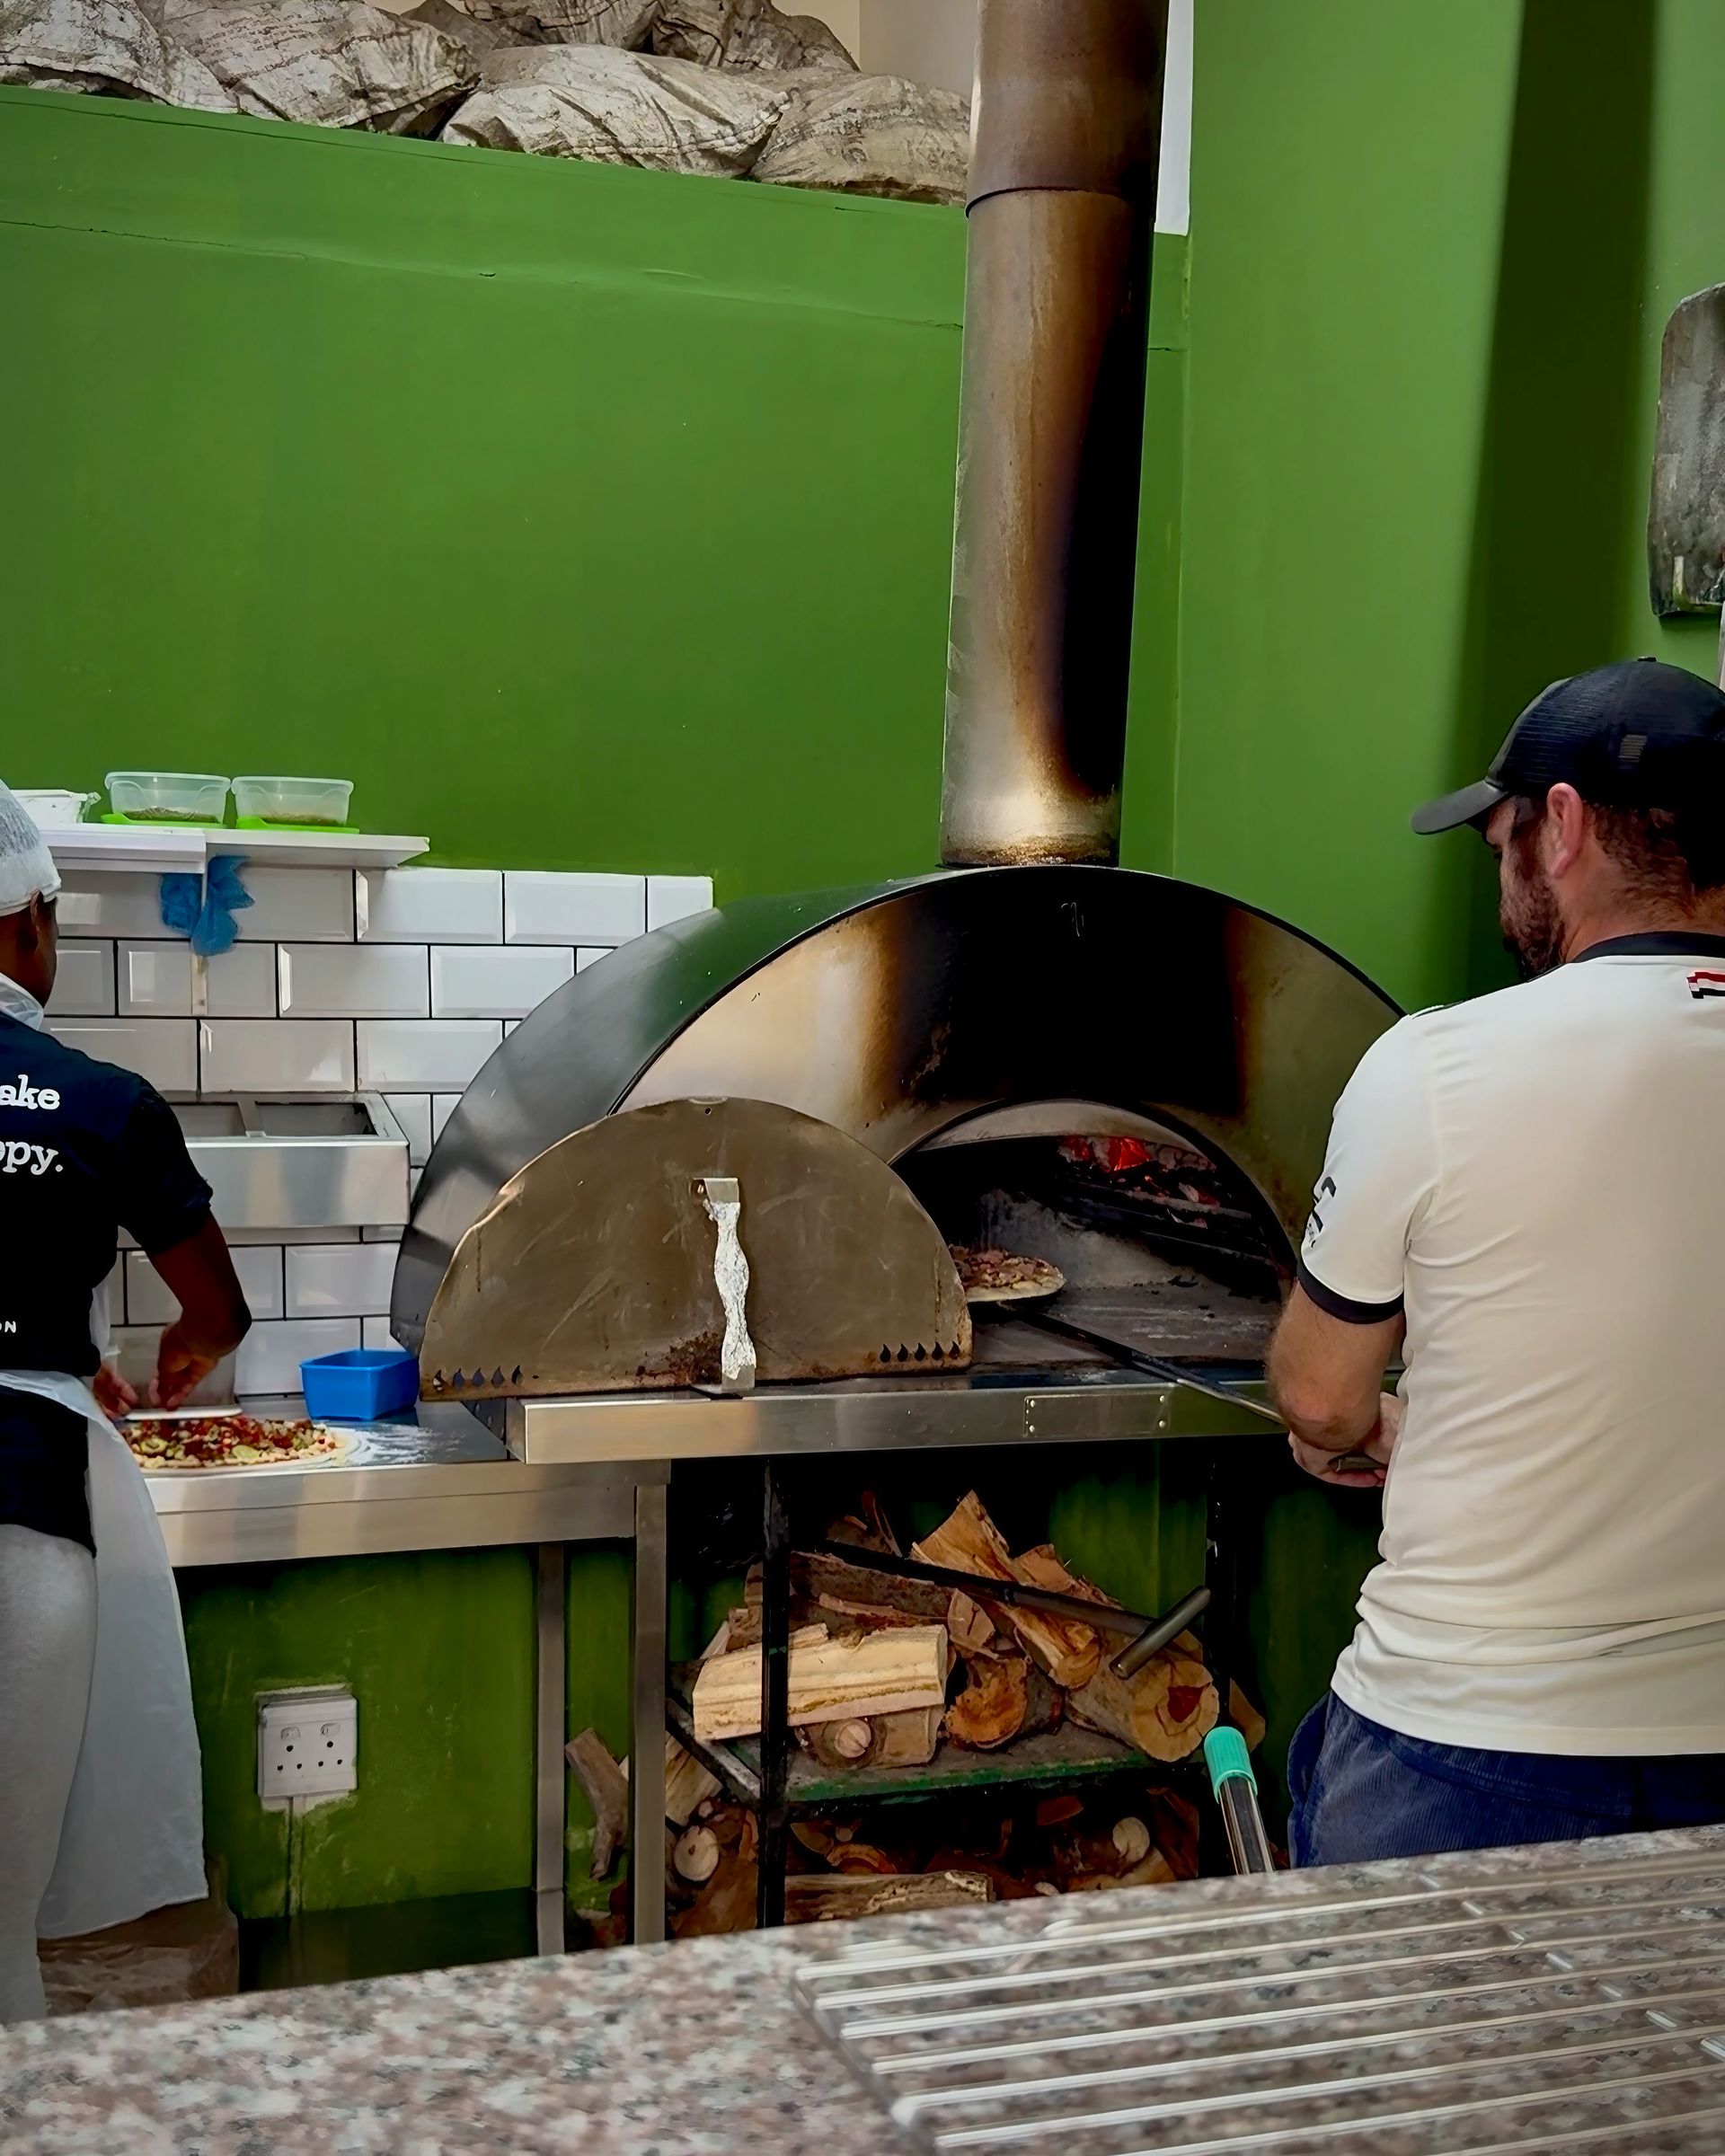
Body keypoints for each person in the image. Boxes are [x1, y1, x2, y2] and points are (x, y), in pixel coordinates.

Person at [1271, 658, 1725, 1866]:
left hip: (1465, 1750)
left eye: (1503, 841)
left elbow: (1319, 1397)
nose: (1503, 878)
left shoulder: (1439, 1064)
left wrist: (1374, 1426)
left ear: (1562, 825)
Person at [0, 784, 252, 2020]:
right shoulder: (99, 1103)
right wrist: (160, 1360)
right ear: (31, 925)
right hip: (21, 1503)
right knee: (3, 1924)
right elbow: (219, 1313)